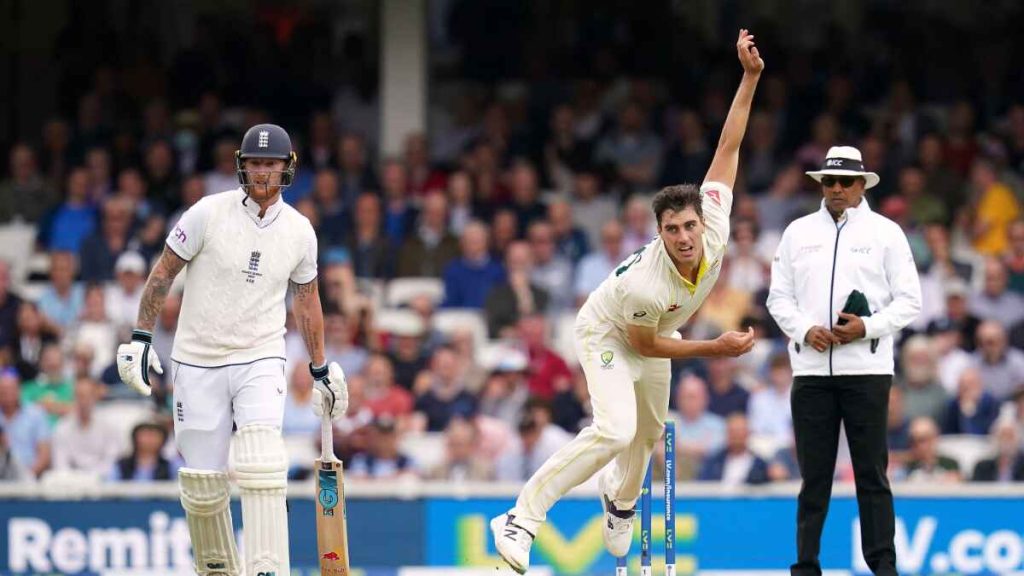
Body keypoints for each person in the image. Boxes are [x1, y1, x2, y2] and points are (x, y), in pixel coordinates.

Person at [490, 30, 762, 574]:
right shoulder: (646, 284)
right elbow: (645, 345)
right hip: (611, 331)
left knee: (648, 434)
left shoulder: (713, 219)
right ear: (659, 233)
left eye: (688, 226)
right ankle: (521, 516)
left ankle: (619, 503)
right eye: (672, 230)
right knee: (615, 429)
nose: (684, 237)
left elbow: (727, 147)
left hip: (659, 333)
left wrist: (751, 76)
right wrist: (717, 349)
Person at [115, 124, 349, 576]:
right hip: (196, 357)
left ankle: (268, 568)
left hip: (261, 355)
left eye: (271, 163)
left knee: (262, 460)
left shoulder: (300, 231)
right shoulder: (206, 212)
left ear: (287, 167)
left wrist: (319, 369)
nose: (263, 172)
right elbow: (163, 273)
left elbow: (307, 300)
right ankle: (217, 571)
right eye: (256, 163)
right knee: (203, 485)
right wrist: (140, 337)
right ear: (242, 167)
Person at [767, 144, 922, 576]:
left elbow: (911, 301)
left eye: (844, 182)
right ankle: (806, 566)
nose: (835, 189)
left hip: (867, 371)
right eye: (829, 181)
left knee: (871, 475)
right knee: (813, 479)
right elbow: (778, 297)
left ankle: (883, 567)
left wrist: (866, 328)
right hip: (812, 370)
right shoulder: (797, 232)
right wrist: (803, 330)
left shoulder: (887, 233)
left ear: (861, 185)